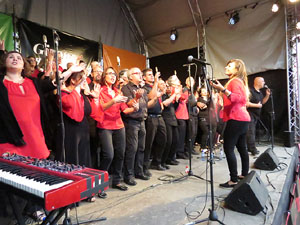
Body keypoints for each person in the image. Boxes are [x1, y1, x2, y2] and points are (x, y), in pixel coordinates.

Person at [210, 59, 251, 188]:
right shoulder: (239, 82)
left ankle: (233, 179)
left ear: (237, 69)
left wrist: (223, 89)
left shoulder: (234, 81)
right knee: (242, 148)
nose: (226, 67)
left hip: (236, 118)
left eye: (230, 66)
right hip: (242, 119)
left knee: (229, 148)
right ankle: (244, 174)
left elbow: (239, 98)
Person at [97, 67, 137, 191]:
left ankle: (117, 180)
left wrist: (134, 108)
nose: (112, 76)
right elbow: (101, 108)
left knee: (120, 153)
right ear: (104, 77)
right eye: (109, 74)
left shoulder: (118, 92)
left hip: (119, 125)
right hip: (105, 125)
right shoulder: (100, 90)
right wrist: (114, 100)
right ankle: (100, 183)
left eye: (114, 74)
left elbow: (124, 109)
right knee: (109, 155)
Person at [142, 68, 167, 173]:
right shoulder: (145, 88)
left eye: (152, 74)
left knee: (163, 140)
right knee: (149, 143)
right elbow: (151, 96)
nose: (152, 76)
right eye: (149, 75)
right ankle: (145, 166)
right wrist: (156, 81)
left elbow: (158, 97)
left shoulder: (154, 87)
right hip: (151, 117)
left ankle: (157, 162)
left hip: (159, 116)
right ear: (144, 77)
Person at [246, 77, 270, 155]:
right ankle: (252, 149)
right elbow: (246, 103)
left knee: (252, 132)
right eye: (263, 81)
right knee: (251, 132)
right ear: (258, 82)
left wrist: (267, 95)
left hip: (256, 115)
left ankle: (249, 147)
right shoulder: (250, 91)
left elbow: (262, 102)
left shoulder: (259, 92)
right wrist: (257, 106)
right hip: (249, 114)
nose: (264, 82)